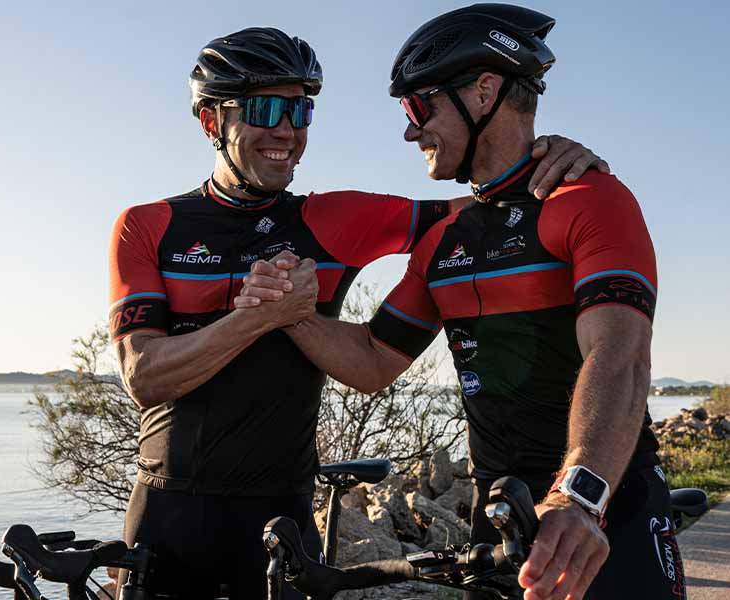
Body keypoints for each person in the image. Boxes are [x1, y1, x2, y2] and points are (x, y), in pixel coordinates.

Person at [109, 25, 607, 599]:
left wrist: (561, 158)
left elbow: (493, 204)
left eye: (301, 112)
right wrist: (262, 316)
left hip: (281, 512)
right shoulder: (147, 226)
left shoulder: (333, 219)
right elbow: (145, 377)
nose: (287, 131)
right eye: (266, 109)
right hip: (167, 509)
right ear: (210, 122)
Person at [235, 5, 684, 600]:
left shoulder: (589, 199)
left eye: (417, 107)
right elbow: (372, 360)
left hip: (601, 509)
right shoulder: (446, 237)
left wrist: (578, 497)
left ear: (484, 91)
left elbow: (620, 357)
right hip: (499, 519)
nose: (409, 130)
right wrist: (290, 314)